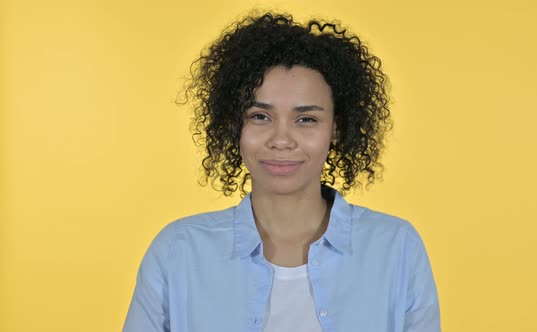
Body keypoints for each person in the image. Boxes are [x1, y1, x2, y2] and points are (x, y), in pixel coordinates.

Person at [123, 11, 440, 332]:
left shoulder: (396, 247)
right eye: (260, 116)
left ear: (336, 129)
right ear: (235, 125)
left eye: (307, 119)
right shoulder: (178, 250)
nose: (281, 140)